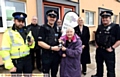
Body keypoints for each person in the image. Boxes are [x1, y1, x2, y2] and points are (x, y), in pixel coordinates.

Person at [0, 12, 35, 76]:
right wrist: (10, 66)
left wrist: (31, 43)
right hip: (16, 62)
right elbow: (4, 51)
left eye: (22, 21)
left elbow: (32, 45)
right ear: (14, 20)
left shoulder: (27, 31)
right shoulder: (8, 33)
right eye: (19, 21)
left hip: (27, 59)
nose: (21, 23)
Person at [91, 11, 120, 77]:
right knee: (99, 65)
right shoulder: (100, 26)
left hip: (109, 51)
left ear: (110, 18)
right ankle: (99, 75)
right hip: (99, 50)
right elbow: (96, 36)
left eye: (106, 17)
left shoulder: (115, 27)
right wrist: (96, 44)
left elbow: (119, 40)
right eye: (103, 18)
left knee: (110, 68)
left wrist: (112, 48)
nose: (104, 19)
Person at [38, 10, 61, 77]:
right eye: (50, 16)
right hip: (46, 55)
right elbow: (40, 42)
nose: (52, 18)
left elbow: (60, 39)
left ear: (56, 19)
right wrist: (52, 48)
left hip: (56, 56)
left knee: (54, 73)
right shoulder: (42, 28)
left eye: (54, 17)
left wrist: (60, 42)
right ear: (47, 17)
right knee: (46, 74)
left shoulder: (57, 28)